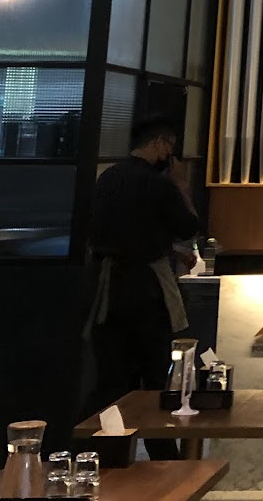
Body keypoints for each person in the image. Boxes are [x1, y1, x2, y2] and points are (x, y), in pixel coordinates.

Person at [83, 116, 199, 460]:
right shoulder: (158, 184)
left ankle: (110, 458)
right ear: (160, 143)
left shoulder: (108, 178)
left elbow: (116, 234)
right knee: (155, 378)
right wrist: (181, 186)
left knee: (113, 380)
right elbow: (188, 226)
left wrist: (166, 250)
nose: (171, 155)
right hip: (148, 291)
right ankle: (163, 457)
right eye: (170, 146)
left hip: (109, 290)